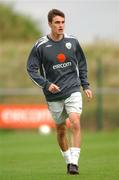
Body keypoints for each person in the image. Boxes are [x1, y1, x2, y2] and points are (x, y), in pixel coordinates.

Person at [27, 9, 92, 175]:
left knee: (75, 121)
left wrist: (85, 85)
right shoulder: (40, 46)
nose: (60, 25)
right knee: (61, 130)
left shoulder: (73, 42)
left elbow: (82, 64)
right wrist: (47, 84)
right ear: (50, 24)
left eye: (63, 22)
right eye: (57, 22)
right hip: (53, 95)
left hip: (72, 89)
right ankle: (68, 161)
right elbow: (32, 69)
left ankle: (74, 163)